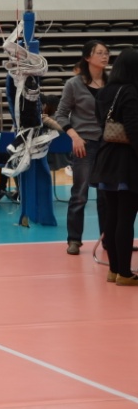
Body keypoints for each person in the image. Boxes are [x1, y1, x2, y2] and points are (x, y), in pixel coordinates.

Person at [90, 47, 138, 285]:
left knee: (112, 215)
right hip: (126, 161)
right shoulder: (130, 91)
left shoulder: (105, 91)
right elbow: (133, 129)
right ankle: (125, 274)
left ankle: (114, 270)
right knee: (126, 217)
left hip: (106, 157)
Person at [56, 40, 109, 255]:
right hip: (84, 144)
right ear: (87, 57)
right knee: (80, 194)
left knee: (107, 194)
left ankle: (109, 239)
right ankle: (74, 239)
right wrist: (74, 136)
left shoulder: (113, 83)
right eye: (100, 53)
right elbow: (60, 115)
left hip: (109, 145)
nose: (105, 56)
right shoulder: (73, 84)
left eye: (106, 53)